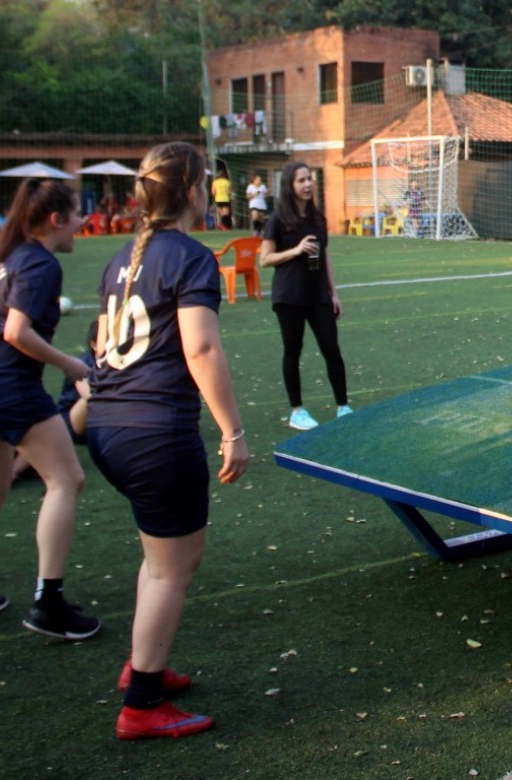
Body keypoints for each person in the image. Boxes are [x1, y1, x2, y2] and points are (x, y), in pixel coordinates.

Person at [89, 141, 248, 740]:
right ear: (190, 191)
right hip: (154, 432)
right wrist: (233, 430)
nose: (207, 193)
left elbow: (103, 346)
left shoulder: (121, 257)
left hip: (109, 423)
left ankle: (142, 666)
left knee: (160, 562)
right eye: (204, 183)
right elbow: (200, 348)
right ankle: (142, 705)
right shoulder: (189, 255)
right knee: (172, 570)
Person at [0, 177, 99, 643]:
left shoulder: (8, 257)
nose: (81, 222)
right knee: (66, 480)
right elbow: (16, 332)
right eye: (75, 213)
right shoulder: (39, 262)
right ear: (55, 220)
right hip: (4, 383)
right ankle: (49, 604)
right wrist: (75, 366)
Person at [260, 160, 351, 431]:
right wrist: (296, 250)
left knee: (331, 348)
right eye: (301, 180)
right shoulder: (278, 220)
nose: (308, 184)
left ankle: (343, 406)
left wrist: (333, 293)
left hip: (318, 295)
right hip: (289, 296)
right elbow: (265, 259)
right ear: (290, 185)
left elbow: (325, 256)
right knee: (293, 350)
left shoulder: (317, 218)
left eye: (309, 179)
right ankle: (297, 411)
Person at [210, 164, 232, 231]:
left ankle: (223, 226)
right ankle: (221, 224)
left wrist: (214, 197)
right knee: (226, 213)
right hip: (225, 198)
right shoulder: (227, 182)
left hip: (218, 199)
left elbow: (213, 192)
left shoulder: (215, 182)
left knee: (222, 213)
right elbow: (228, 191)